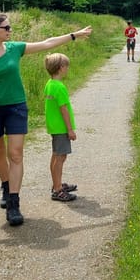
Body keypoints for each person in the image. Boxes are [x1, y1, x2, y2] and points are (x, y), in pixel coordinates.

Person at [0, 13, 92, 226]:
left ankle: (13, 204)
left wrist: (74, 35)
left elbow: (47, 43)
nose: (10, 31)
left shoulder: (14, 48)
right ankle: (6, 187)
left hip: (16, 107)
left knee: (15, 154)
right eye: (6, 28)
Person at [43, 53, 78, 203]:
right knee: (60, 157)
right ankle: (57, 189)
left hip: (54, 126)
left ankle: (56, 184)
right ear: (61, 68)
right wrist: (70, 129)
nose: (68, 69)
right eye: (66, 66)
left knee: (56, 155)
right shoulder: (60, 87)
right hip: (61, 127)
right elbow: (64, 109)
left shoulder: (49, 84)